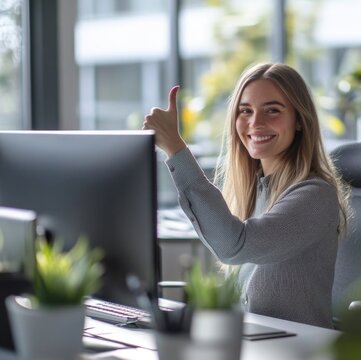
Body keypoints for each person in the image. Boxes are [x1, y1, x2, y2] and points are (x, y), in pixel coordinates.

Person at [143, 63, 349, 328]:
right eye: (245, 111)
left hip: (294, 350)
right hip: (252, 340)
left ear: (299, 120)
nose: (256, 123)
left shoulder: (314, 196)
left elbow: (232, 246)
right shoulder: (256, 191)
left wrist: (175, 147)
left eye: (272, 110)